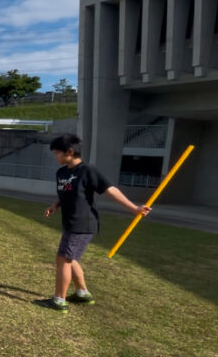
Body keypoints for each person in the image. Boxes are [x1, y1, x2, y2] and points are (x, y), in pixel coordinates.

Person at [42, 133, 150, 312]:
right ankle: (82, 294)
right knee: (70, 258)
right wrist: (55, 205)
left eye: (57, 153)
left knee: (63, 259)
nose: (55, 157)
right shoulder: (62, 172)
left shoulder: (87, 171)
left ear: (69, 151)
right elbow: (66, 193)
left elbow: (110, 190)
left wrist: (134, 208)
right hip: (70, 222)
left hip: (82, 224)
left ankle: (59, 300)